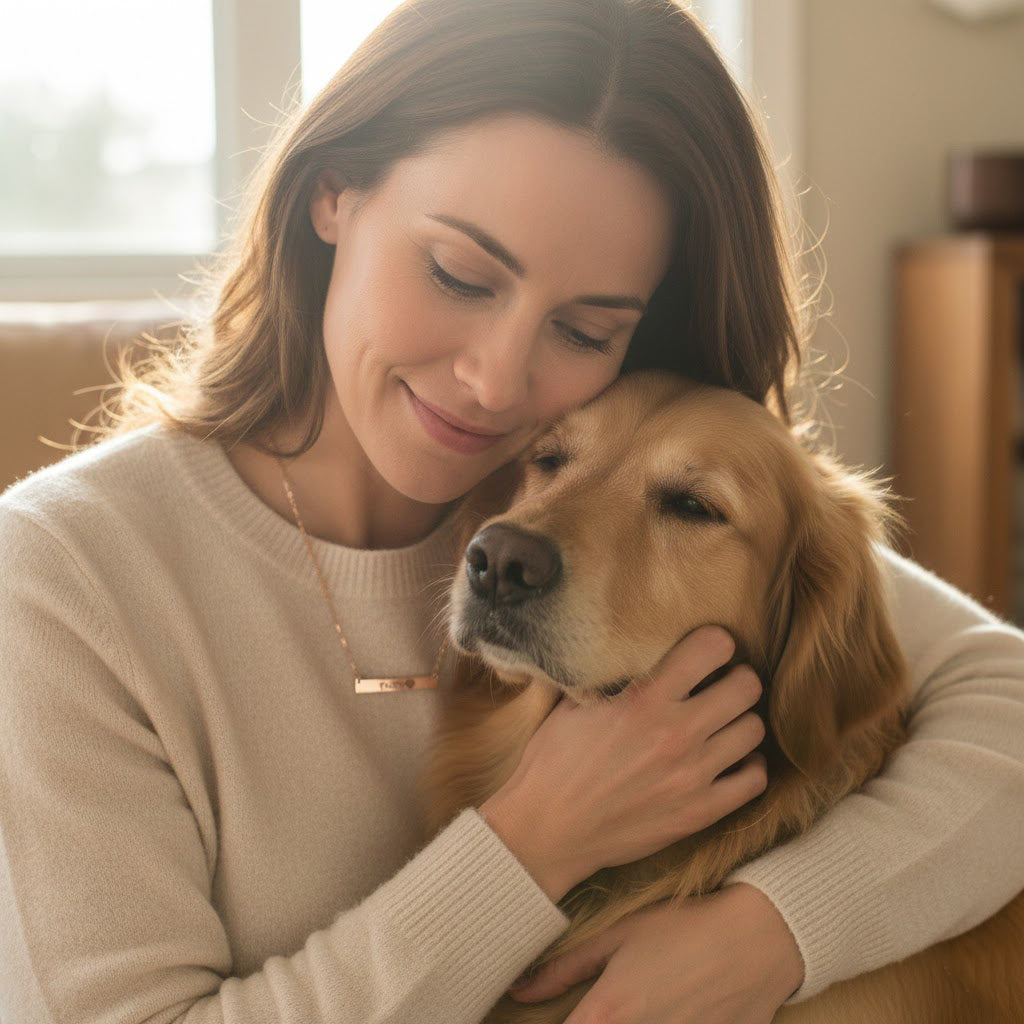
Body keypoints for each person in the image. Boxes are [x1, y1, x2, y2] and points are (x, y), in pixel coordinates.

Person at [1, 0, 1022, 1021]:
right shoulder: (65, 576)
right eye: (456, 272)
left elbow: (1003, 695)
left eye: (583, 328)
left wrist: (774, 930)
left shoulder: (552, 472)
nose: (494, 382)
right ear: (332, 193)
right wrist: (535, 841)